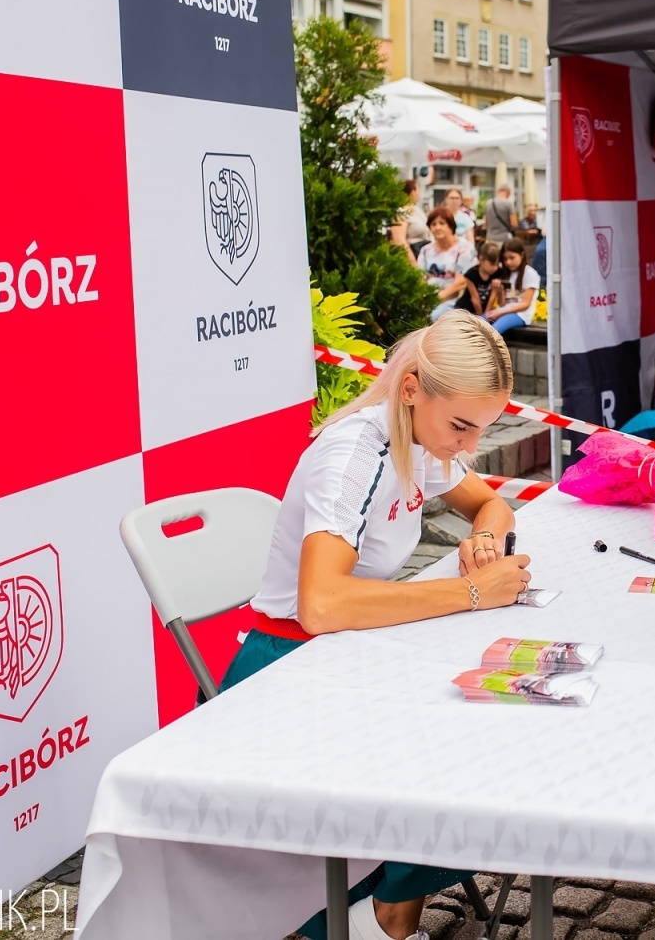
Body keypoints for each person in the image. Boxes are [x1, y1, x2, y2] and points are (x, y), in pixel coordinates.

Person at [219, 311, 532, 940]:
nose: (471, 445)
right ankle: (378, 915)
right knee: (463, 737)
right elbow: (323, 603)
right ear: (413, 388)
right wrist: (472, 590)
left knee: (491, 720)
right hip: (284, 669)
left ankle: (386, 910)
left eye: (485, 428)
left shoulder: (419, 435)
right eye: (463, 426)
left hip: (340, 653)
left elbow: (491, 502)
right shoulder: (354, 453)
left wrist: (487, 542)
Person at [416, 206, 477, 321]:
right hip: (427, 297)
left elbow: (461, 282)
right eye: (433, 224)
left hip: (455, 299)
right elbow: (419, 277)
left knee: (434, 316)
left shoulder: (464, 248)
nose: (437, 227)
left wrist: (434, 300)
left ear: (451, 226)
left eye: (442, 223)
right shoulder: (426, 250)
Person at [484, 238, 540, 333]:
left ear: (522, 255)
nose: (508, 262)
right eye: (505, 259)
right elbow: (502, 303)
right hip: (505, 311)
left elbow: (525, 304)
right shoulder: (506, 273)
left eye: (512, 258)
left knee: (493, 331)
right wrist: (498, 290)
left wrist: (500, 312)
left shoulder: (530, 273)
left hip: (520, 314)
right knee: (478, 322)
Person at [452, 240, 506, 316]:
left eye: (497, 265)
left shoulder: (497, 273)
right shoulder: (471, 274)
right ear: (481, 259)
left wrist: (485, 316)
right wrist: (481, 317)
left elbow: (494, 296)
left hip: (486, 309)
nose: (495, 268)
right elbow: (475, 299)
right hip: (467, 309)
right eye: (492, 264)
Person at [391, 179, 430, 258]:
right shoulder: (401, 212)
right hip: (413, 253)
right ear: (413, 192)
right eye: (418, 190)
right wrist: (413, 262)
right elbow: (399, 240)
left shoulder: (417, 210)